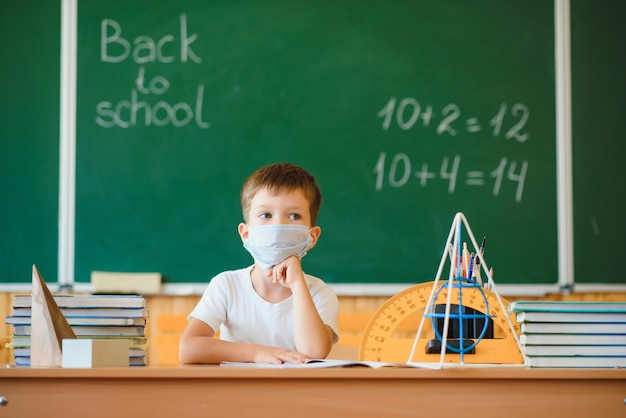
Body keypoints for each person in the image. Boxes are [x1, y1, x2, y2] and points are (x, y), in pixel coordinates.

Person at [179, 162, 339, 364]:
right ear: (245, 233)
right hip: (237, 394)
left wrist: (298, 286)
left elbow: (314, 352)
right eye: (266, 215)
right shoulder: (227, 285)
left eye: (294, 216)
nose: (279, 225)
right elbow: (188, 348)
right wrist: (257, 353)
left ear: (312, 236)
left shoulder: (319, 294)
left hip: (295, 395)